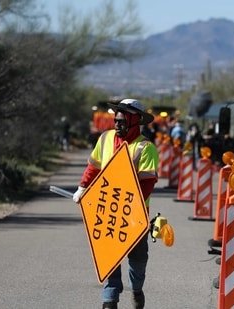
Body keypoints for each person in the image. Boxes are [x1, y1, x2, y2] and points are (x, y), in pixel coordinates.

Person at [72, 98, 158, 309]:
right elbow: (94, 167)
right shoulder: (106, 139)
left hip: (134, 216)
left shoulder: (145, 148)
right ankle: (109, 300)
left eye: (122, 121)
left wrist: (127, 203)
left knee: (138, 259)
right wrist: (83, 187)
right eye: (116, 120)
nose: (117, 124)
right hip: (106, 212)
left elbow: (147, 183)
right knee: (108, 257)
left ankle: (136, 289)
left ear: (134, 121)